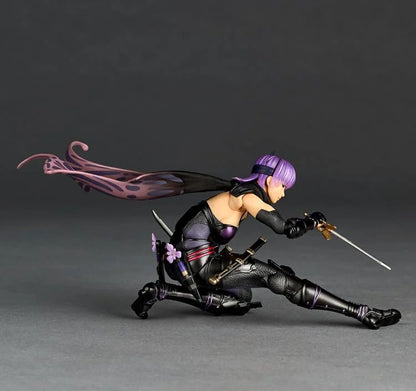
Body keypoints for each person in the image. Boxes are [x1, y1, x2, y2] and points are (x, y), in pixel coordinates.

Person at [18, 142, 401, 329]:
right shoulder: (248, 197)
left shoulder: (239, 192)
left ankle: (164, 291)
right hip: (196, 265)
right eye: (283, 186)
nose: (284, 193)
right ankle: (360, 313)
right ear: (270, 180)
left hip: (197, 259)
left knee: (242, 300)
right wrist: (313, 221)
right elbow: (284, 228)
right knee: (278, 278)